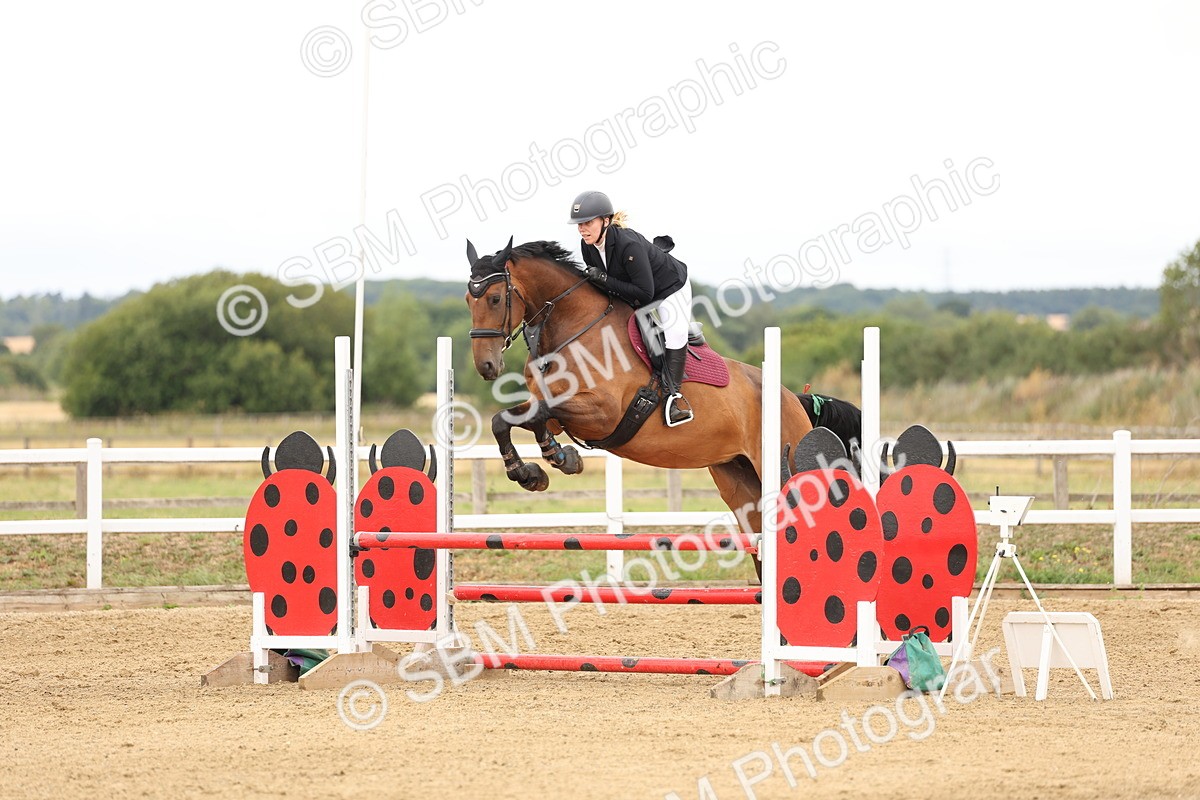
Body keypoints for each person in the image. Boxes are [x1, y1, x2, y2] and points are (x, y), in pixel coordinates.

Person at [569, 190, 695, 426]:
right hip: (635, 290)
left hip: (669, 288)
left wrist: (605, 280)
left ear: (605, 221)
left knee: (675, 335)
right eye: (579, 224)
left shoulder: (628, 245)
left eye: (587, 223)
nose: (582, 229)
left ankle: (673, 398)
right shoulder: (588, 246)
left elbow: (645, 294)